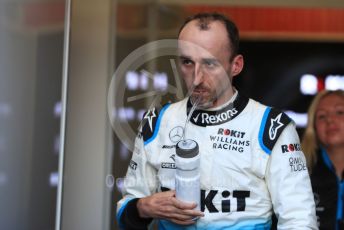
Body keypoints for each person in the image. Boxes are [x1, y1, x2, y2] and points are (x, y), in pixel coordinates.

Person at [116, 12, 317, 229]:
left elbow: (299, 219)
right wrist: (143, 207)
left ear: (236, 65)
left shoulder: (272, 127)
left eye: (210, 64)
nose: (196, 78)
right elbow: (126, 209)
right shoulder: (156, 122)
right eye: (187, 62)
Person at [302, 89, 344, 229]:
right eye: (321, 116)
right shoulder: (299, 174)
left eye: (339, 112)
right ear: (313, 128)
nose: (330, 120)